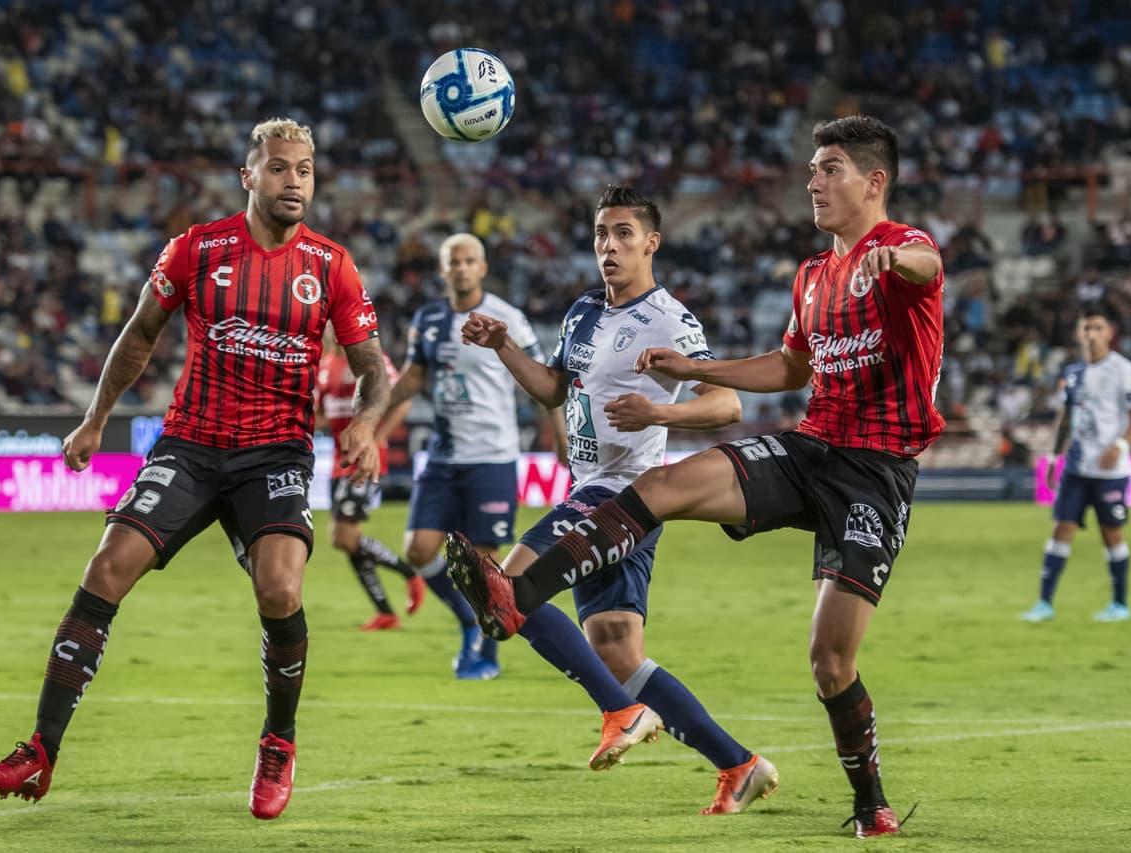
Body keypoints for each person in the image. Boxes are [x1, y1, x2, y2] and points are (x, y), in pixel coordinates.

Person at [448, 116, 942, 838]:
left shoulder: (904, 248)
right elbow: (790, 369)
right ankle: (519, 596)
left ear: (874, 182)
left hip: (875, 472)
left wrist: (893, 261)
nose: (812, 180)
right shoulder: (813, 275)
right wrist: (692, 370)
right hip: (811, 447)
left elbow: (926, 265)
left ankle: (871, 802)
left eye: (829, 168)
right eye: (812, 167)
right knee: (658, 491)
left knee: (830, 663)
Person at [0, 118, 390, 821]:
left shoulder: (331, 265)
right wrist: (96, 418)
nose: (294, 181)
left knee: (280, 589)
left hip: (275, 453)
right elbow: (139, 333)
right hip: (191, 446)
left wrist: (369, 424)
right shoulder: (198, 248)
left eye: (305, 170)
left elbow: (373, 367)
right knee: (106, 568)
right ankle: (40, 751)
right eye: (279, 167)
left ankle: (278, 742)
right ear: (248, 176)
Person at [454, 185, 778, 816]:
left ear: (651, 243)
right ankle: (740, 765)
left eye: (624, 233)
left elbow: (727, 404)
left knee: (507, 591)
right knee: (617, 650)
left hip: (625, 497)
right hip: (589, 488)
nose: (609, 245)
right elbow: (553, 389)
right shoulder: (582, 311)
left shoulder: (669, 318)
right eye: (602, 232)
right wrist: (503, 347)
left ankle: (619, 711)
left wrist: (660, 411)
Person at [385, 232, 562, 680]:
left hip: (492, 456)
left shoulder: (508, 318)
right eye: (454, 261)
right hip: (443, 456)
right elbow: (412, 378)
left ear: (482, 268)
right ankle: (470, 618)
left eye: (469, 261)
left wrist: (561, 439)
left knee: (483, 564)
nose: (461, 268)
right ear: (442, 269)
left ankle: (485, 650)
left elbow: (544, 381)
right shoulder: (428, 317)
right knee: (418, 549)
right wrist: (369, 416)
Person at [1021, 304, 1131, 623]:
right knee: (1061, 529)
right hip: (1076, 468)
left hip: (1110, 471)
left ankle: (1120, 604)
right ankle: (1044, 604)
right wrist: (1053, 456)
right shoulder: (1073, 372)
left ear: (1110, 333)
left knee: (1111, 533)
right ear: (1079, 333)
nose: (1091, 334)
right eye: (1086, 328)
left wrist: (1120, 445)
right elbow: (1066, 418)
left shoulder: (1124, 370)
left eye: (1097, 328)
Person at [316, 336, 425, 631]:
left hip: (363, 461)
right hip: (339, 462)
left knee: (344, 538)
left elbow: (401, 403)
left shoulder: (368, 357)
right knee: (347, 541)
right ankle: (386, 613)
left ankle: (409, 573)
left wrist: (374, 442)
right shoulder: (325, 363)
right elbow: (322, 415)